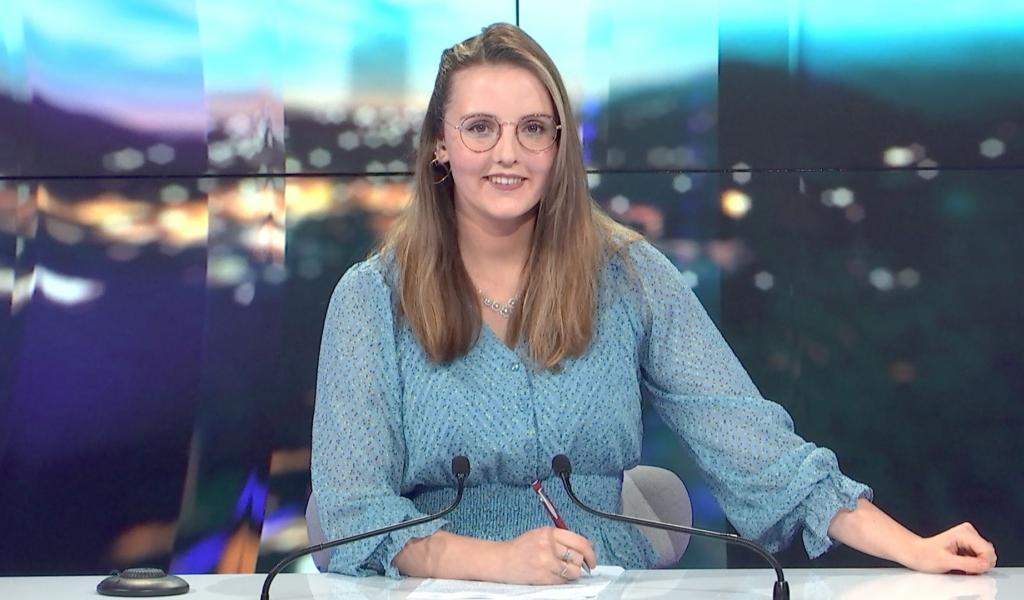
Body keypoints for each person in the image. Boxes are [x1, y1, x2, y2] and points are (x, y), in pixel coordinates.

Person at [311, 23, 996, 585]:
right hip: (434, 587)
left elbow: (748, 439)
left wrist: (911, 546)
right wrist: (492, 562)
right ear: (440, 143)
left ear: (559, 144)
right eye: (480, 128)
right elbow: (349, 510)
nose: (508, 153)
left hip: (606, 579)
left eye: (533, 128)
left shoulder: (629, 275)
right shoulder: (371, 299)